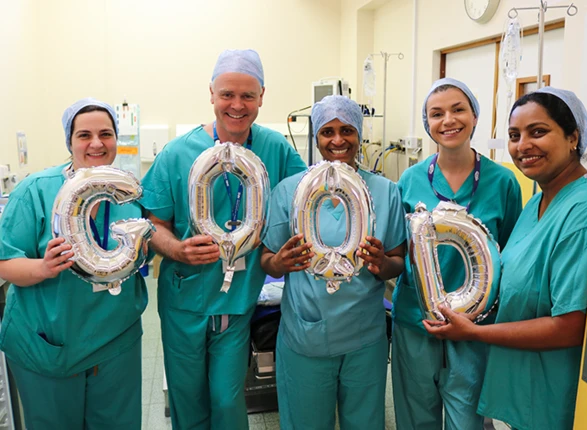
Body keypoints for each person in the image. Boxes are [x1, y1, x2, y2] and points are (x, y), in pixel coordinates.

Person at [140, 49, 306, 429]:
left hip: (237, 300)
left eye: (248, 96)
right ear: (211, 94)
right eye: (227, 94)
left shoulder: (275, 149)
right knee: (187, 397)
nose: (237, 105)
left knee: (227, 399)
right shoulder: (177, 154)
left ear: (262, 96)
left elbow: (305, 196)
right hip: (185, 297)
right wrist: (177, 248)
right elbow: (154, 225)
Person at [424, 87, 587, 430]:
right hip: (525, 381)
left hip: (552, 390)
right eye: (515, 136)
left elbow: (571, 326)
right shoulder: (538, 200)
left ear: (573, 137)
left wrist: (474, 333)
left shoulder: (584, 210)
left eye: (539, 132)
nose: (523, 146)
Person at [0, 98, 148, 429]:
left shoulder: (128, 193)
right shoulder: (37, 191)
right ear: (70, 141)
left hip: (115, 343)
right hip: (51, 345)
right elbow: (4, 261)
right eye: (84, 135)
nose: (96, 143)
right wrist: (44, 267)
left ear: (116, 139)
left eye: (105, 134)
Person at [261, 95, 406, 430]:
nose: (338, 140)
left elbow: (398, 261)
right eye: (327, 131)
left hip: (364, 339)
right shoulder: (290, 192)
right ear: (316, 138)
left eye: (347, 130)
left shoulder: (385, 192)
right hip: (306, 337)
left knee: (365, 423)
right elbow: (266, 261)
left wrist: (382, 264)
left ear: (359, 135)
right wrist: (280, 263)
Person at [392, 78, 523, 430]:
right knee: (416, 418)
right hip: (415, 322)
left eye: (458, 109)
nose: (448, 120)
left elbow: (510, 256)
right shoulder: (409, 180)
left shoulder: (503, 182)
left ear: (475, 116)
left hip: (474, 327)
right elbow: (399, 250)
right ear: (427, 123)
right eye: (437, 114)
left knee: (467, 421)